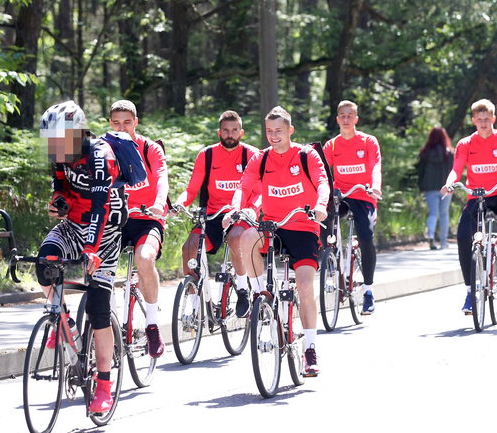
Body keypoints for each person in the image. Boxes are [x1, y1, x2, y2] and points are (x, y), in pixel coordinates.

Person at [38, 100, 126, 413]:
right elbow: (60, 182)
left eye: (60, 140)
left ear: (78, 134)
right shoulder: (60, 155)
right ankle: (62, 321)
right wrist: (58, 200)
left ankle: (104, 384)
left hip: (105, 232)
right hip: (74, 224)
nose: (55, 147)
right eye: (51, 141)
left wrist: (91, 249)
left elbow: (101, 209)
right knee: (44, 264)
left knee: (99, 309)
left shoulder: (100, 158)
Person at [228, 106, 330, 376]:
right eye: (269, 131)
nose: (273, 136)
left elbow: (322, 182)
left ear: (290, 131)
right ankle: (262, 293)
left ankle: (310, 348)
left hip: (303, 225)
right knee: (247, 236)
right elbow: (244, 185)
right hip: (272, 225)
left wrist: (321, 205)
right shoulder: (260, 159)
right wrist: (235, 208)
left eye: (279, 131)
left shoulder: (306, 155)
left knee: (306, 286)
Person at [442, 99, 497, 314]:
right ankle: (470, 292)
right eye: (479, 120)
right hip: (477, 198)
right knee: (462, 237)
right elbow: (456, 169)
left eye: (487, 119)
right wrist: (450, 182)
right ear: (473, 120)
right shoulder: (465, 144)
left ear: (493, 119)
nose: (483, 123)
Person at [173, 111, 259, 318]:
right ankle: (194, 304)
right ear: (219, 132)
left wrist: (251, 210)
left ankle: (241, 289)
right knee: (189, 247)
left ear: (241, 132)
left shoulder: (252, 155)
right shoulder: (207, 155)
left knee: (234, 238)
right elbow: (192, 189)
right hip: (213, 214)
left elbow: (259, 190)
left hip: (241, 215)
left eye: (234, 130)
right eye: (226, 131)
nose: (230, 135)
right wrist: (179, 202)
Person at [108, 99, 168, 358]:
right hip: (115, 218)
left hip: (147, 219)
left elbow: (162, 178)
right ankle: (105, 324)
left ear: (136, 122)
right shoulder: (104, 148)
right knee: (99, 266)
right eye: (116, 123)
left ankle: (152, 325)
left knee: (144, 259)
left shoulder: (150, 148)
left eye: (127, 122)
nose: (121, 128)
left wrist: (157, 203)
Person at [322, 100, 383, 315]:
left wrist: (375, 186)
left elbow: (375, 165)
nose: (346, 119)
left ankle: (368, 290)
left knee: (366, 236)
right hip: (341, 195)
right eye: (342, 116)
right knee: (323, 217)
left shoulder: (368, 141)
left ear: (356, 119)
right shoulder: (332, 146)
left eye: (350, 116)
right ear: (337, 119)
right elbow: (322, 173)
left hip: (363, 195)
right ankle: (330, 259)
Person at [417, 127, 455, 250]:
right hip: (446, 188)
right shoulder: (449, 153)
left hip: (430, 188)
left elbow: (421, 172)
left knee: (433, 213)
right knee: (444, 214)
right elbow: (454, 171)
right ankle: (444, 242)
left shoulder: (425, 153)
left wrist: (421, 186)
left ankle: (431, 235)